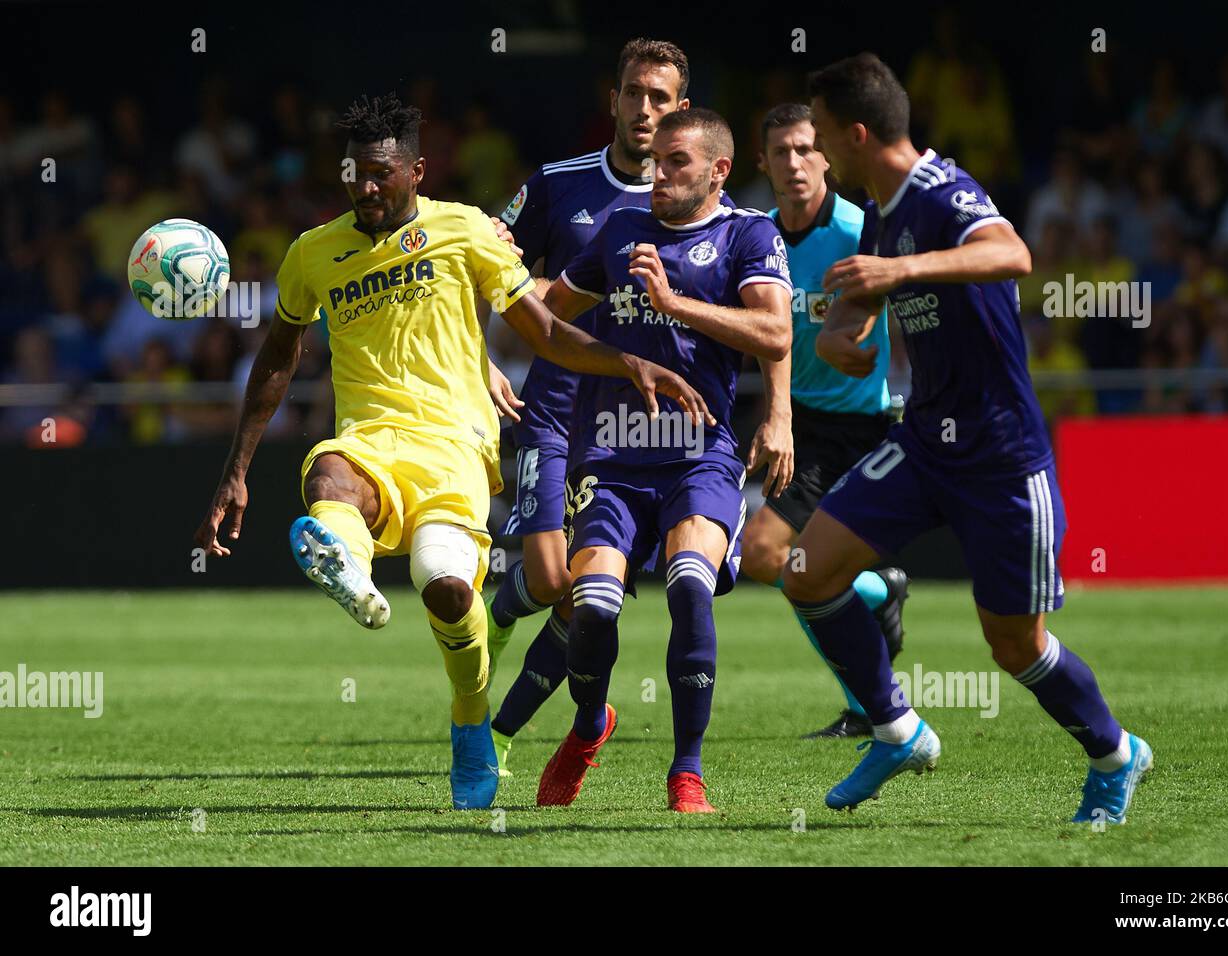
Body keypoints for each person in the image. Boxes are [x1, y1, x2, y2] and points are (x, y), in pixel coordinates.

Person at [193, 93, 709, 812]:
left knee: (445, 585)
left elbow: (544, 331)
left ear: (416, 171)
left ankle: (470, 718)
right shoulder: (313, 252)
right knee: (330, 472)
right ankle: (348, 567)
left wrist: (626, 363)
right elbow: (279, 356)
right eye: (353, 174)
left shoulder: (465, 230)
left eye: (380, 174)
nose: (365, 189)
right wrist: (237, 469)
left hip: (457, 450)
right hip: (371, 441)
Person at [783, 54, 1151, 824]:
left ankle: (1116, 755)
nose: (812, 152)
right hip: (924, 442)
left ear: (855, 135)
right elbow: (871, 303)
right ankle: (896, 727)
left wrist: (898, 272)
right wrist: (842, 337)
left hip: (999, 456)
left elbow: (1011, 255)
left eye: (818, 137)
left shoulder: (943, 190)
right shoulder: (883, 211)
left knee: (1013, 647)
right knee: (807, 572)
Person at [535, 108, 792, 812]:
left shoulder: (748, 233)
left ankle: (687, 771)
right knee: (591, 606)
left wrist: (674, 304)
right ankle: (589, 727)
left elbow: (774, 330)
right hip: (612, 453)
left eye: (677, 161)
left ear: (717, 171)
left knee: (687, 584)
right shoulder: (619, 232)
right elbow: (550, 321)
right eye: (657, 160)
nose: (659, 172)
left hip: (698, 454)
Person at [741, 102, 909, 739]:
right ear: (762, 162)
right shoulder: (757, 237)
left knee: (764, 554)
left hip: (857, 427)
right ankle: (875, 599)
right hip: (795, 423)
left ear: (828, 157)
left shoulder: (860, 232)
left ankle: (872, 615)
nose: (794, 163)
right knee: (790, 568)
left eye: (805, 149)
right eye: (780, 152)